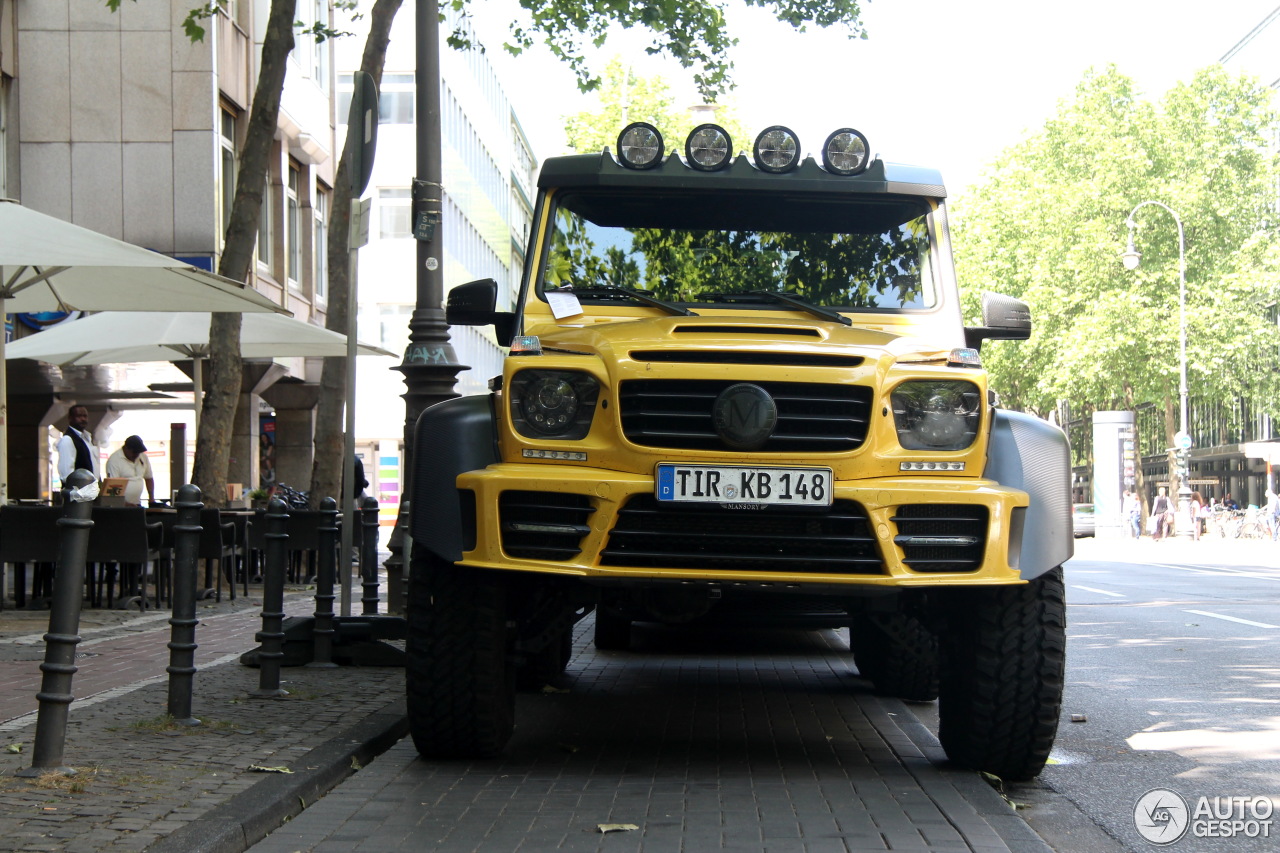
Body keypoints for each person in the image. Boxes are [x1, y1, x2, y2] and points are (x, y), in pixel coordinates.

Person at [105, 435, 155, 506]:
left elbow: (149, 478)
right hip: (120, 506)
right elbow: (113, 488)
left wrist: (151, 498)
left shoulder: (143, 457)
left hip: (137, 503)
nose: (137, 455)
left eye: (138, 452)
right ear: (126, 448)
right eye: (134, 452)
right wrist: (124, 504)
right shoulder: (114, 460)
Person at [56, 404, 100, 484]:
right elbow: (66, 474)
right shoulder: (68, 440)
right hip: (78, 492)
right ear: (70, 418)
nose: (83, 419)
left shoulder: (86, 439)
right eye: (79, 416)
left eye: (85, 416)